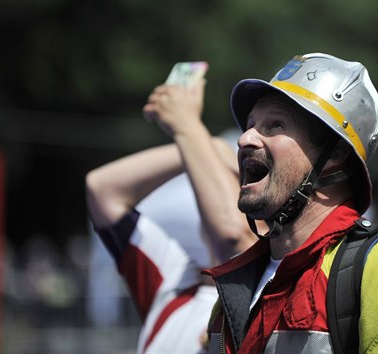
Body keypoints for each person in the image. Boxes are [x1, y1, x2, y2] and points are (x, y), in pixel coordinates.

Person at [203, 53, 378, 353]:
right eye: (250, 124)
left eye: (275, 125)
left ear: (335, 154)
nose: (245, 138)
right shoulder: (235, 287)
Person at [85, 78, 255, 353]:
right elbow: (102, 190)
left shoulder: (267, 290)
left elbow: (233, 236)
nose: (208, 199)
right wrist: (204, 147)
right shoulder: (173, 281)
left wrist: (189, 129)